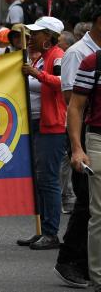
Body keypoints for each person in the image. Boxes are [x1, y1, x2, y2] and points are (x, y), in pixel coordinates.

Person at [54, 7, 101, 288]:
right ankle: (72, 261)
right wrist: (77, 147)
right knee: (88, 204)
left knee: (87, 203)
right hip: (85, 134)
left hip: (87, 133)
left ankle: (79, 260)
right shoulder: (80, 55)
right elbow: (71, 99)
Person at [18, 16, 67, 250]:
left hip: (53, 125)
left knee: (48, 180)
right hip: (39, 124)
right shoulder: (43, 57)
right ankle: (43, 230)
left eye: (35, 33)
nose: (30, 37)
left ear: (48, 37)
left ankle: (50, 233)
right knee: (41, 181)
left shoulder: (57, 56)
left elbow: (62, 82)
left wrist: (36, 74)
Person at [67, 49, 101, 292]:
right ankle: (100, 277)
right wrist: (77, 148)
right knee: (99, 213)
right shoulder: (93, 62)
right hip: (98, 141)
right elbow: (76, 107)